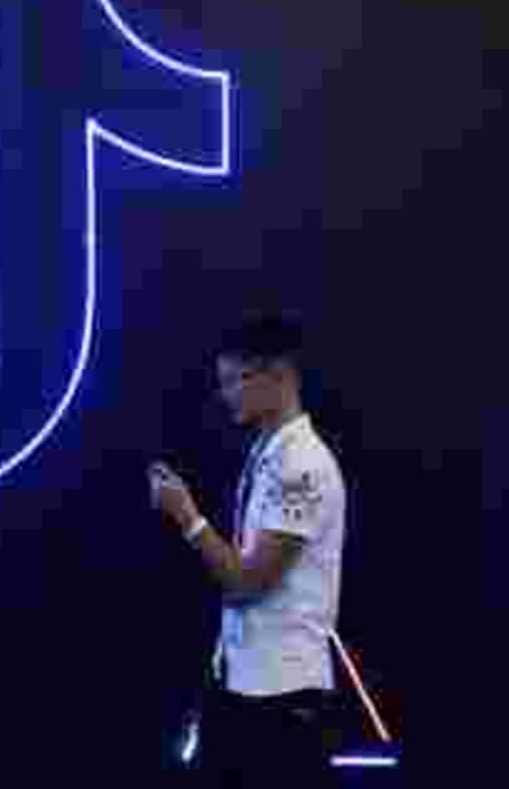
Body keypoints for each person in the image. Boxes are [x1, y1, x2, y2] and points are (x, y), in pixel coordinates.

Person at [149, 312, 346, 788]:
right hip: (242, 683)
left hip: (283, 697)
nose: (226, 394)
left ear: (277, 375)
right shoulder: (268, 451)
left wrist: (186, 515)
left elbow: (249, 581)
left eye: (234, 381)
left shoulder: (301, 465)